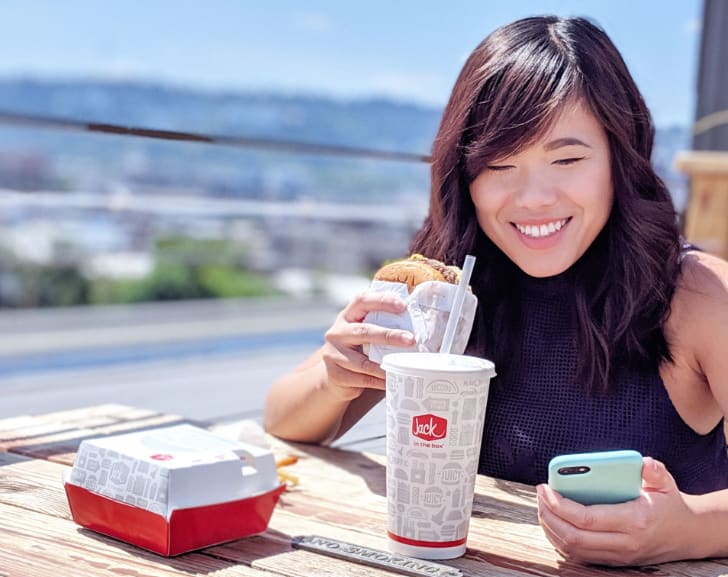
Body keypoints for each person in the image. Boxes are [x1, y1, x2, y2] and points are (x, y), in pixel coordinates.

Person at [264, 15, 728, 566]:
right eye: (500, 163)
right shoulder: (442, 290)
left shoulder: (696, 295)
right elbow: (283, 421)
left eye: (567, 159)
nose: (532, 198)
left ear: (619, 158)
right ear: (465, 174)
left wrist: (688, 528)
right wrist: (336, 375)